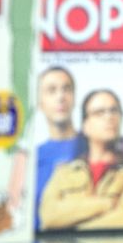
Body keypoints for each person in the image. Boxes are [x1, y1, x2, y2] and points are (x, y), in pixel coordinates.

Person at [39, 90, 123, 230]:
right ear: (85, 126)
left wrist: (69, 230)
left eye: (114, 111)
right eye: (99, 112)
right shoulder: (64, 171)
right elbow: (49, 216)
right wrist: (106, 204)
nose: (109, 117)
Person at [33, 66, 79, 229]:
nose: (61, 97)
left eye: (66, 89)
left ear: (74, 98)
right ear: (40, 103)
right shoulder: (33, 158)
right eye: (51, 91)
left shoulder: (94, 147)